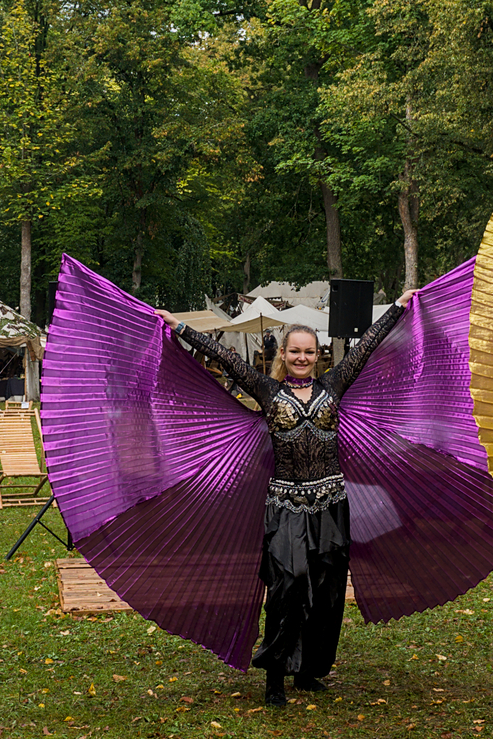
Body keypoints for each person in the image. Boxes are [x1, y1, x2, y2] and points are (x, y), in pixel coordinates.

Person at [153, 301, 415, 706]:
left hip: (330, 505)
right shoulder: (268, 390)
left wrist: (398, 308)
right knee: (286, 587)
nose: (302, 358)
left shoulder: (333, 385)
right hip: (286, 506)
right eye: (295, 351)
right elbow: (225, 357)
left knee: (327, 592)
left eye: (309, 351)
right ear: (284, 354)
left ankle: (308, 671)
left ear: (318, 354)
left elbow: (367, 345)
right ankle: (276, 675)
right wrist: (178, 325)